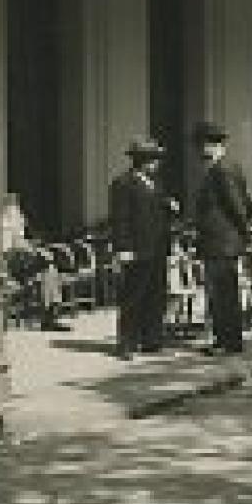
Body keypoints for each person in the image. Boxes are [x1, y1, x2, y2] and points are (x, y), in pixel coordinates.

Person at [109, 136, 178, 358]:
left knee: (156, 295)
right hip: (136, 249)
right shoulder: (123, 183)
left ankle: (152, 340)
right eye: (153, 159)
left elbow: (157, 210)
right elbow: (120, 219)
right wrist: (123, 248)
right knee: (133, 296)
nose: (157, 163)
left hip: (158, 247)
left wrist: (169, 206)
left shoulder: (156, 183)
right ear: (141, 161)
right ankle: (126, 343)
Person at [191, 122, 252, 355]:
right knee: (225, 292)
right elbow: (245, 201)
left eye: (201, 146)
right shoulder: (229, 167)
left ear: (210, 145)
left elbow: (236, 205)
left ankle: (226, 342)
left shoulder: (221, 170)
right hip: (223, 241)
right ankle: (229, 340)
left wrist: (245, 232)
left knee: (221, 294)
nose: (199, 151)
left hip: (221, 241)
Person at [0, 192, 72, 331]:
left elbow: (22, 240)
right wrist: (33, 251)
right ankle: (49, 315)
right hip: (9, 264)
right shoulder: (2, 222)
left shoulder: (15, 219)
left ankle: (51, 313)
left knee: (48, 272)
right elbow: (9, 248)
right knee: (46, 268)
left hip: (23, 262)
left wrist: (35, 249)